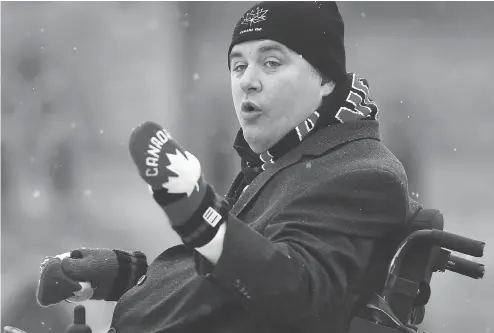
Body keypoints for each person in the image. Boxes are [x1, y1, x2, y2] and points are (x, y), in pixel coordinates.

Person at [35, 2, 421, 333]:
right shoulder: (286, 165)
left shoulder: (362, 175)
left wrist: (199, 215)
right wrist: (122, 273)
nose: (247, 82)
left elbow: (297, 293)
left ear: (325, 80)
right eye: (237, 66)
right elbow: (224, 282)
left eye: (271, 62)